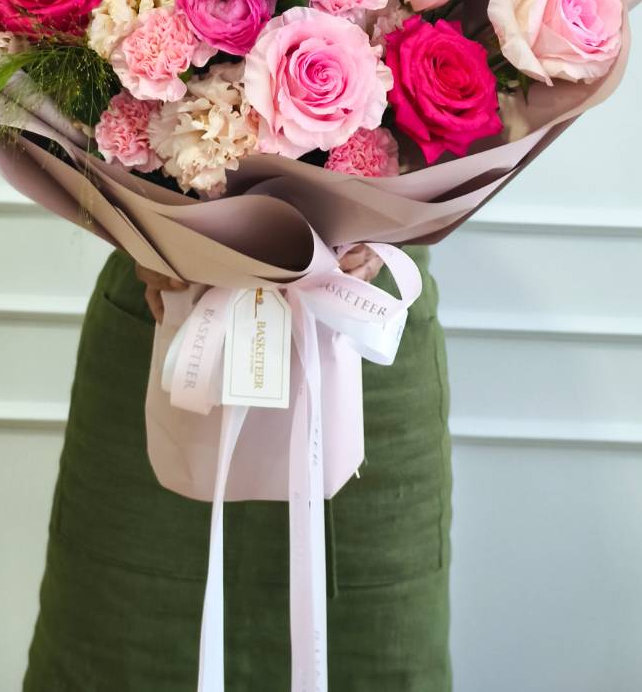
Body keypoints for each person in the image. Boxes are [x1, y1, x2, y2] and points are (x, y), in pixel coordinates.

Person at [23, 242, 452, 690]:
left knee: (373, 650)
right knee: (116, 650)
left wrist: (378, 238)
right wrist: (143, 227)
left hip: (357, 320)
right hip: (166, 318)